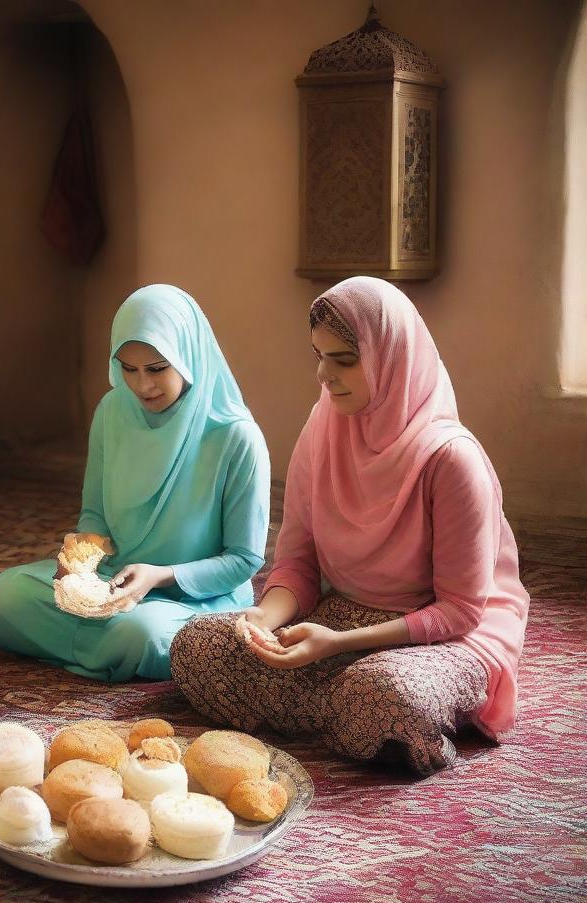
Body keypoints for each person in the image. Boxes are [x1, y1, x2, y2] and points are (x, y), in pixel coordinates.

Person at [172, 277, 530, 774]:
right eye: (319, 355)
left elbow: (460, 611)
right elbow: (297, 562)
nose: (324, 374)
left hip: (439, 637)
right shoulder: (322, 431)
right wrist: (265, 621)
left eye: (343, 360)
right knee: (199, 647)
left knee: (386, 694)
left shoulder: (451, 459)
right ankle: (349, 717)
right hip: (342, 619)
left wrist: (337, 645)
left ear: (392, 360)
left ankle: (363, 710)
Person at [0, 284, 271, 681]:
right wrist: (79, 566)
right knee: (6, 595)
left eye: (157, 369)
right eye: (128, 368)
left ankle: (104, 648)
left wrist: (159, 576)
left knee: (145, 636)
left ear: (187, 357)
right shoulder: (112, 411)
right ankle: (106, 652)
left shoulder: (236, 438)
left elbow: (242, 561)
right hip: (115, 584)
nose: (142, 386)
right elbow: (95, 514)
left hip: (192, 600)